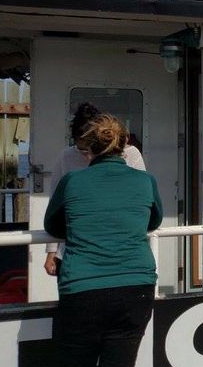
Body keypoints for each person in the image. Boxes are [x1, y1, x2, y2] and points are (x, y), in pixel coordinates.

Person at [44, 115, 163, 367]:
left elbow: (52, 225)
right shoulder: (146, 182)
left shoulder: (72, 181)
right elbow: (152, 221)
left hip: (82, 290)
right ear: (124, 147)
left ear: (90, 150)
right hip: (136, 289)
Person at [45, 103, 147, 278]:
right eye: (80, 149)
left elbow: (144, 208)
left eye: (89, 148)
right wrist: (51, 252)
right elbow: (55, 210)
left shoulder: (131, 156)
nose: (86, 155)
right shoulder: (66, 157)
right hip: (76, 252)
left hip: (120, 251)